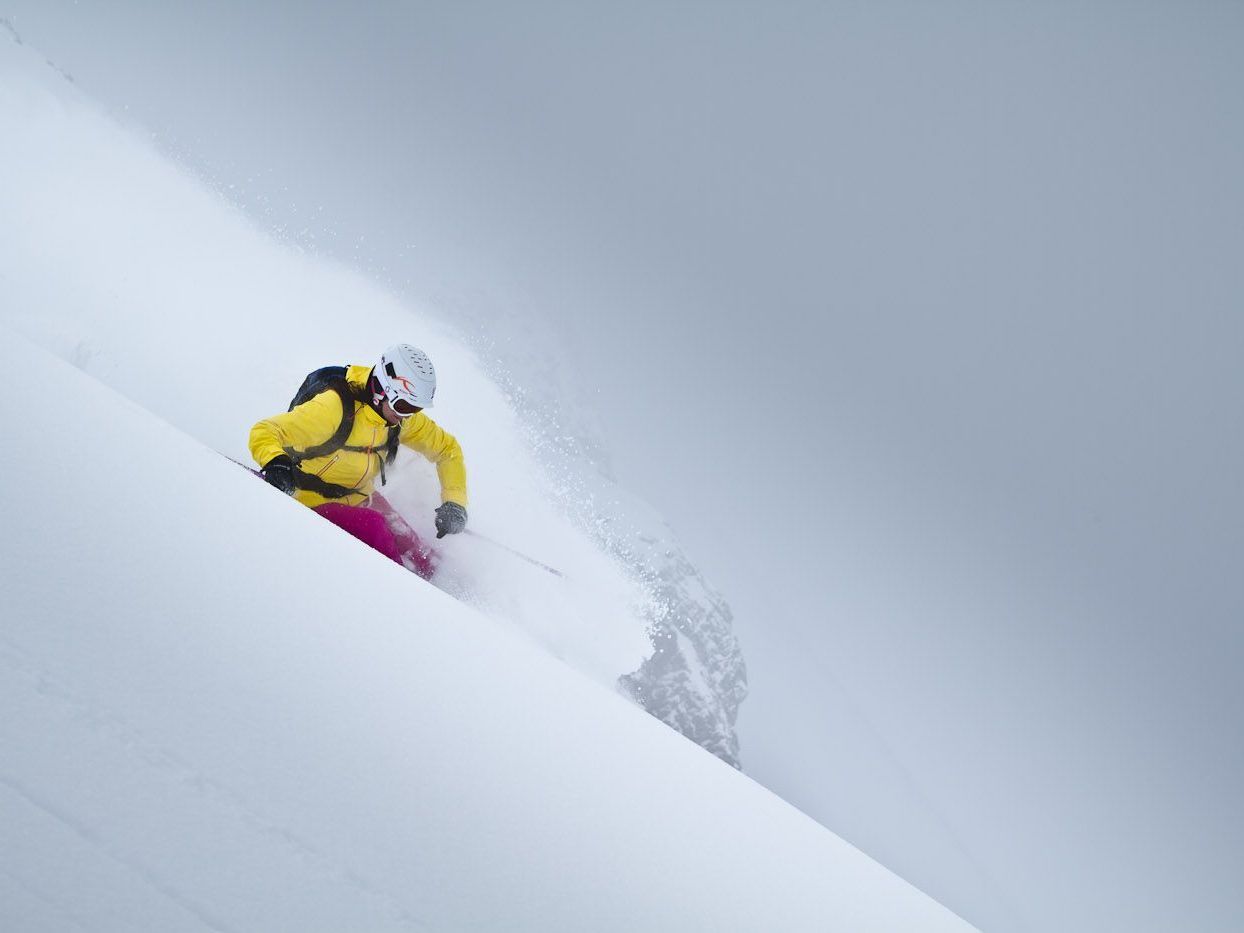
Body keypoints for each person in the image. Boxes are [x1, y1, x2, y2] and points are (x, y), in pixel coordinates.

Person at [248, 344, 467, 577]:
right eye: (403, 406)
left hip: (359, 495)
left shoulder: (399, 418)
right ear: (381, 389)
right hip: (307, 499)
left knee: (422, 554)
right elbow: (265, 430)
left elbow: (447, 449)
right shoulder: (333, 408)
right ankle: (404, 595)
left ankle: (449, 595)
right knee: (375, 526)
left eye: (415, 408)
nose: (406, 416)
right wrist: (276, 463)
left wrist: (454, 502)